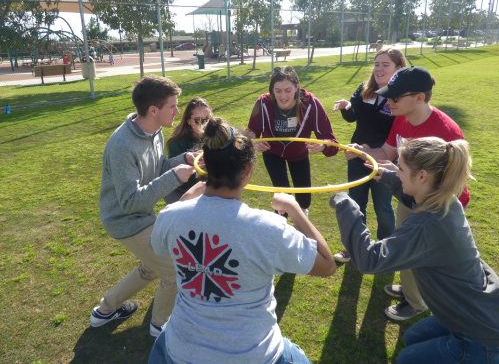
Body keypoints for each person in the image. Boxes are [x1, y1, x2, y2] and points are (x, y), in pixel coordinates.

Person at [149, 118, 336, 363]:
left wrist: (186, 198)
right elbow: (327, 265)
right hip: (254, 354)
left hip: (180, 350)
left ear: (207, 165)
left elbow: (158, 245)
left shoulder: (170, 217)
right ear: (247, 170)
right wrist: (295, 209)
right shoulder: (267, 228)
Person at [330, 137, 499, 364]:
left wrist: (346, 205)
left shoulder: (428, 226)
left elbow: (370, 260)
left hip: (487, 339)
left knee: (408, 359)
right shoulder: (445, 200)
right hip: (481, 314)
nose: (397, 171)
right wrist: (390, 177)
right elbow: (415, 199)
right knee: (414, 337)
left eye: (400, 168)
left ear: (422, 176)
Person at [346, 66, 469, 321]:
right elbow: (387, 153)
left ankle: (416, 302)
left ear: (420, 98)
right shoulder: (401, 118)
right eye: (388, 95)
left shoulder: (445, 131)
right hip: (410, 197)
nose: (388, 102)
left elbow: (452, 187)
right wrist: (362, 151)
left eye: (395, 97)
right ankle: (411, 288)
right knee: (408, 250)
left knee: (420, 253)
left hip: (436, 205)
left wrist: (405, 182)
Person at [89, 76, 197, 337]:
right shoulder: (122, 145)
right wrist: (174, 177)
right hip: (126, 220)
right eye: (173, 106)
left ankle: (104, 311)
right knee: (174, 270)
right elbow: (129, 202)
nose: (177, 111)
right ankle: (160, 326)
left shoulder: (154, 131)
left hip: (143, 215)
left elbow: (157, 169)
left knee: (152, 267)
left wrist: (183, 160)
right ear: (153, 110)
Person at [332, 47, 408, 263]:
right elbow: (352, 116)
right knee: (356, 204)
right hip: (356, 156)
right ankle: (353, 247)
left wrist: (380, 155)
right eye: (377, 64)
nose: (379, 69)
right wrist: (347, 107)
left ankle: (386, 248)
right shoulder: (364, 89)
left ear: (398, 68)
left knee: (383, 207)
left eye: (386, 65)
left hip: (384, 160)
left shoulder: (399, 98)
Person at [247, 66, 339, 215]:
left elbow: (332, 143)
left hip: (299, 154)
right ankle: (281, 230)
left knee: (304, 199)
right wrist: (254, 142)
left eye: (288, 90)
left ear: (296, 87)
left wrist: (323, 146)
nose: (283, 96)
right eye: (278, 91)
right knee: (282, 196)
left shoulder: (311, 104)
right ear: (272, 90)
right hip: (273, 153)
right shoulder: (263, 103)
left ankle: (301, 229)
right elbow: (250, 133)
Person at [164, 97, 213, 204]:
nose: (203, 124)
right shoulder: (176, 143)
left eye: (207, 119)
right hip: (181, 193)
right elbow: (171, 171)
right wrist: (192, 163)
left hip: (207, 192)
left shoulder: (215, 138)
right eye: (198, 120)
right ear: (188, 121)